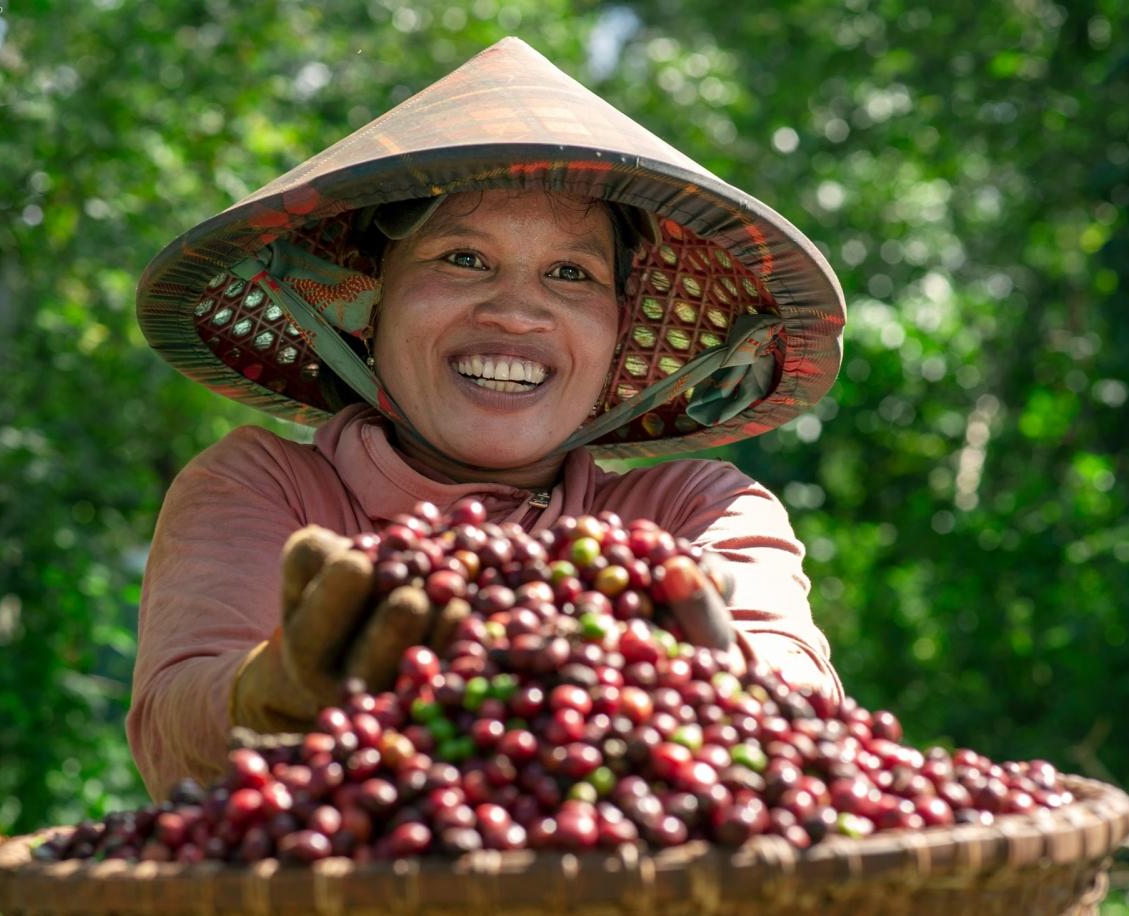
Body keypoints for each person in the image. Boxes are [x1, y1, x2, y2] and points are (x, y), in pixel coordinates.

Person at [128, 38, 846, 802]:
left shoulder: (696, 511)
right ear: (370, 305)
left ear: (617, 334)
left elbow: (798, 693)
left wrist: (730, 691)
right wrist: (271, 695)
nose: (515, 312)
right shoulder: (264, 488)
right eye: (462, 258)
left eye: (571, 274)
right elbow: (178, 729)